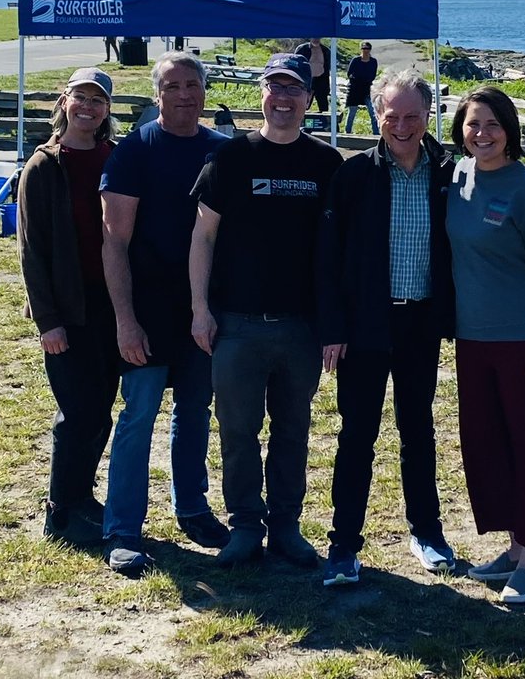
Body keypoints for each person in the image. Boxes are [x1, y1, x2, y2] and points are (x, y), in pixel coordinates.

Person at [189, 54, 342, 568]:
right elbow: (202, 236)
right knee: (236, 431)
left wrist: (333, 324)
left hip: (300, 328)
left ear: (308, 99)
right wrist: (199, 309)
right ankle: (245, 528)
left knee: (293, 431)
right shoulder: (231, 158)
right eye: (274, 88)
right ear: (262, 95)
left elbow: (339, 250)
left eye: (294, 90)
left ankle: (286, 527)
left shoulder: (326, 163)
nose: (283, 99)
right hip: (236, 325)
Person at [320, 71, 456, 587]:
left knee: (418, 430)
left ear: (428, 117)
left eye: (412, 116)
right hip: (363, 325)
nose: (401, 125)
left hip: (421, 321)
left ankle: (427, 532)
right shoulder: (354, 176)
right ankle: (343, 546)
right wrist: (333, 327)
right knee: (357, 435)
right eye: (391, 116)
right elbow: (328, 259)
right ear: (378, 116)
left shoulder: (448, 173)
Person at [99, 51, 229, 576]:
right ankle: (122, 527)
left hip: (202, 312)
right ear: (157, 95)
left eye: (192, 84)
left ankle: (193, 509)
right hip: (147, 312)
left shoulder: (221, 150)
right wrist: (125, 320)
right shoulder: (135, 151)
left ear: (203, 90)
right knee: (138, 415)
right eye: (172, 86)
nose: (184, 94)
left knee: (195, 412)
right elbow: (114, 242)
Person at [446, 86, 525, 606]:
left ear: (511, 130)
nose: (483, 134)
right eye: (474, 125)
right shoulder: (456, 179)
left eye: (493, 125)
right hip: (472, 341)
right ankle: (515, 546)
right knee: (488, 446)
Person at [17, 67, 120, 548]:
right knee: (78, 411)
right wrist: (48, 321)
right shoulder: (43, 167)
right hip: (67, 311)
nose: (88, 107)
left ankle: (81, 496)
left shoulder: (116, 159)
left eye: (97, 100)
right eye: (81, 97)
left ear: (107, 111)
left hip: (112, 307)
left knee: (101, 411)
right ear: (64, 101)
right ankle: (59, 509)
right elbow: (31, 251)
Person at [343, 41, 379, 134]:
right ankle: (348, 132)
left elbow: (373, 75)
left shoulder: (373, 61)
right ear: (361, 49)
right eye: (363, 48)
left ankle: (376, 133)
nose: (365, 51)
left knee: (372, 112)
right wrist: (355, 80)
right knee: (352, 113)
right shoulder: (356, 60)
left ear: (370, 50)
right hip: (354, 89)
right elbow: (349, 73)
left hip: (367, 89)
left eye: (367, 49)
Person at [295, 37, 331, 113]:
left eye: (318, 37)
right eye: (314, 37)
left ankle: (326, 124)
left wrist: (327, 86)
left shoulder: (326, 51)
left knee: (324, 107)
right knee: (302, 105)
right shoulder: (302, 49)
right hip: (306, 81)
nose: (316, 39)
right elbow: (295, 64)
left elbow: (328, 68)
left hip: (321, 81)